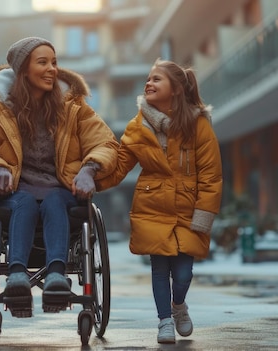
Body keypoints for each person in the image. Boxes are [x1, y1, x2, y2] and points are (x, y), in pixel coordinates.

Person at [0, 37, 118, 315]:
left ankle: (57, 277)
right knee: (23, 201)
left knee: (54, 200)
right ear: (23, 70)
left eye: (55, 62)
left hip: (60, 192)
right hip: (14, 194)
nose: (52, 69)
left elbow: (105, 143)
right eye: (43, 62)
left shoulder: (74, 108)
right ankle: (17, 277)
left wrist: (89, 169)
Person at [97, 58, 223, 343]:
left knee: (183, 274)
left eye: (157, 79)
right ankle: (164, 320)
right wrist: (90, 180)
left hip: (187, 211)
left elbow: (211, 176)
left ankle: (179, 306)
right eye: (148, 79)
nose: (148, 83)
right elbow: (119, 167)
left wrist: (203, 216)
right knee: (159, 269)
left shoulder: (198, 125)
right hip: (152, 207)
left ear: (176, 89)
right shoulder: (138, 126)